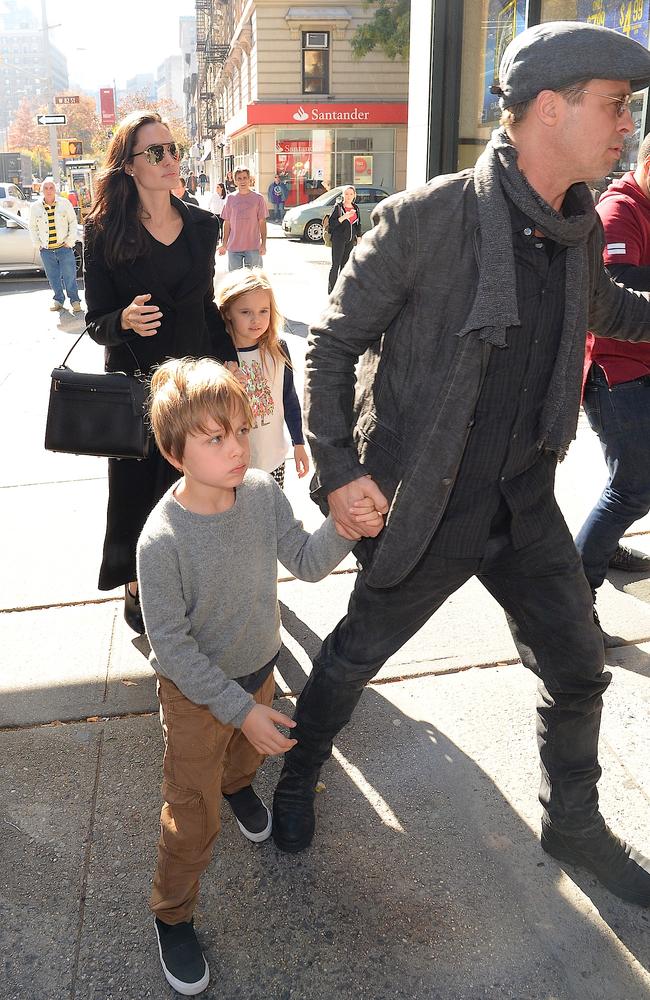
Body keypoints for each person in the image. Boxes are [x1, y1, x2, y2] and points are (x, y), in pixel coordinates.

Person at [272, 21, 650, 908]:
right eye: (613, 105)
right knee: (354, 656)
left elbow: (613, 311)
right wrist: (333, 466)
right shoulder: (428, 219)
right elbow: (331, 344)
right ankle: (295, 778)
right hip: (426, 499)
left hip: (522, 501)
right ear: (548, 109)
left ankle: (574, 822)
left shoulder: (578, 228)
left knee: (576, 664)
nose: (625, 124)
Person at [137, 357, 379, 996]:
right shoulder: (161, 541)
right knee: (191, 812)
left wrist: (345, 527)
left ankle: (240, 783)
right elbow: (175, 652)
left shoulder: (264, 496)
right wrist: (234, 707)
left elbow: (304, 559)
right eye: (214, 438)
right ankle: (173, 914)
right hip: (195, 695)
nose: (236, 447)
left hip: (259, 669)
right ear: (173, 452)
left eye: (239, 431)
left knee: (245, 755)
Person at [83, 110, 236, 635]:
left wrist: (231, 373)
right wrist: (121, 320)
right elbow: (95, 323)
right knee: (136, 495)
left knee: (193, 494)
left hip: (193, 387)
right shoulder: (103, 233)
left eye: (172, 149)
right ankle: (136, 585)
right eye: (156, 152)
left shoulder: (202, 225)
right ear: (129, 166)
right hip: (135, 389)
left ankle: (190, 590)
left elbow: (206, 308)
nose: (170, 160)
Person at [575, 130, 650, 639]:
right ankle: (575, 606)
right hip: (614, 373)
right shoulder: (617, 212)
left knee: (628, 480)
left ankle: (606, 545)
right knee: (633, 488)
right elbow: (614, 292)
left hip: (638, 369)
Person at [217, 268, 309, 487]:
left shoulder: (278, 349)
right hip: (232, 465)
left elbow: (289, 399)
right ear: (228, 311)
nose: (256, 319)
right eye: (245, 312)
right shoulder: (220, 357)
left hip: (273, 460)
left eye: (263, 311)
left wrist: (299, 443)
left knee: (270, 518)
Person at [28, 179, 82, 313]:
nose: (48, 190)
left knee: (70, 276)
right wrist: (38, 244)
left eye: (51, 187)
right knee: (53, 277)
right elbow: (32, 227)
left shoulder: (64, 204)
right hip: (46, 250)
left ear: (55, 189)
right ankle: (58, 300)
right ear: (42, 191)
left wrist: (70, 242)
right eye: (45, 188)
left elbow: (73, 222)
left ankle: (75, 301)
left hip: (64, 248)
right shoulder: (35, 207)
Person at [218, 168, 268, 270]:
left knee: (254, 281)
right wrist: (224, 244)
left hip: (253, 247)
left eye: (245, 178)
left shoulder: (258, 198)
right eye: (239, 178)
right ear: (235, 181)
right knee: (235, 282)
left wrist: (263, 244)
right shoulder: (230, 198)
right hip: (234, 247)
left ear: (250, 179)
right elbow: (227, 223)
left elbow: (262, 222)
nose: (242, 181)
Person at [326, 185, 362, 294]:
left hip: (350, 240)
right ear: (343, 195)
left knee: (345, 266)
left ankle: (341, 290)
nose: (349, 196)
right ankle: (332, 290)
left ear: (354, 195)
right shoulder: (338, 207)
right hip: (338, 239)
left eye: (351, 194)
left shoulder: (356, 208)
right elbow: (332, 224)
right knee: (335, 265)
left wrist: (359, 237)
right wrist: (344, 217)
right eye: (346, 194)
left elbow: (358, 224)